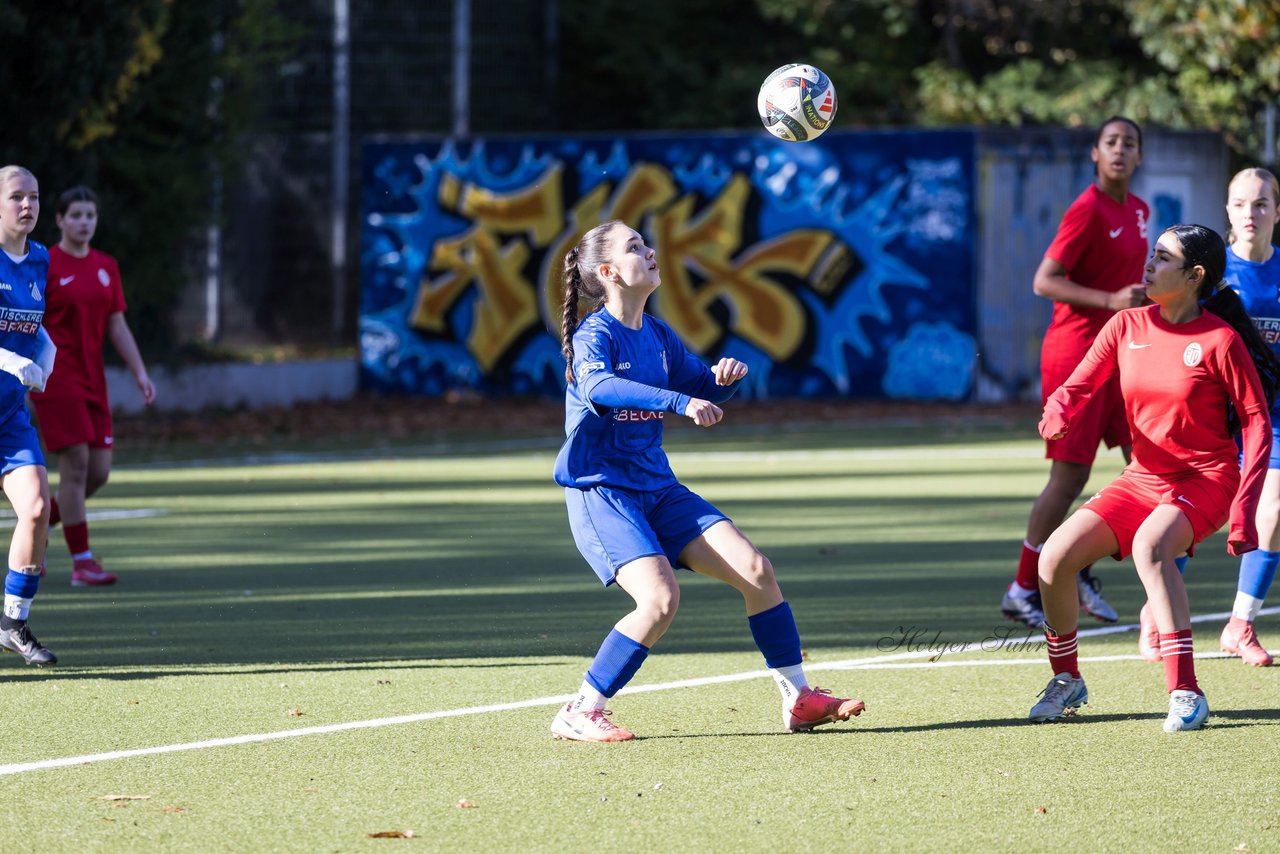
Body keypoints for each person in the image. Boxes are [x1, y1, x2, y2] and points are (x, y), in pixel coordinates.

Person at [548, 220, 864, 742]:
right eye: (634, 247)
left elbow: (700, 387)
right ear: (608, 273)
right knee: (659, 601)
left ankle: (799, 698)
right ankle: (581, 709)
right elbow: (600, 386)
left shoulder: (657, 335)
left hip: (658, 487)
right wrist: (681, 401)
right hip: (603, 490)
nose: (650, 251)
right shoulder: (594, 335)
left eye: (646, 242)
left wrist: (721, 381)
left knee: (756, 570)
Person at [1029, 224, 1278, 733]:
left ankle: (1186, 690)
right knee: (1053, 559)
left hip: (1207, 478)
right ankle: (1066, 679)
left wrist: (1245, 507)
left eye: (1163, 258)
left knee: (1151, 547)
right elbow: (1078, 386)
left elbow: (1256, 422)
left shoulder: (1220, 340)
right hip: (1143, 477)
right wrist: (1060, 408)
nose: (1149, 263)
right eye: (1152, 253)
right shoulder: (1126, 327)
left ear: (1194, 276)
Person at [1000, 115, 1151, 630]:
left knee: (1147, 463)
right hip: (1076, 358)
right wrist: (1109, 300)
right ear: (1095, 153)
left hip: (1122, 357)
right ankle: (1023, 588)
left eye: (1129, 144)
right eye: (1111, 142)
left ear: (1139, 156)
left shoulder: (1139, 211)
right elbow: (1045, 281)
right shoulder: (1086, 210)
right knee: (1068, 478)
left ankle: (1081, 558)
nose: (1119, 150)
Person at [29, 185, 156, 587]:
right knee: (77, 464)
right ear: (60, 220)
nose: (85, 222)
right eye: (77, 215)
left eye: (90, 215)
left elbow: (117, 324)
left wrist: (139, 372)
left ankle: (38, 526)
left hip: (93, 379)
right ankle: (82, 563)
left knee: (99, 473)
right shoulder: (44, 262)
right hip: (55, 378)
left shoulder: (106, 266)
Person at [0, 165, 58, 665]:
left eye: (34, 197)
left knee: (38, 510)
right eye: (17, 196)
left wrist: (46, 352)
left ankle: (13, 623)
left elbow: (34, 326)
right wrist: (11, 360)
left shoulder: (40, 258)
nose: (27, 205)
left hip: (9, 418)